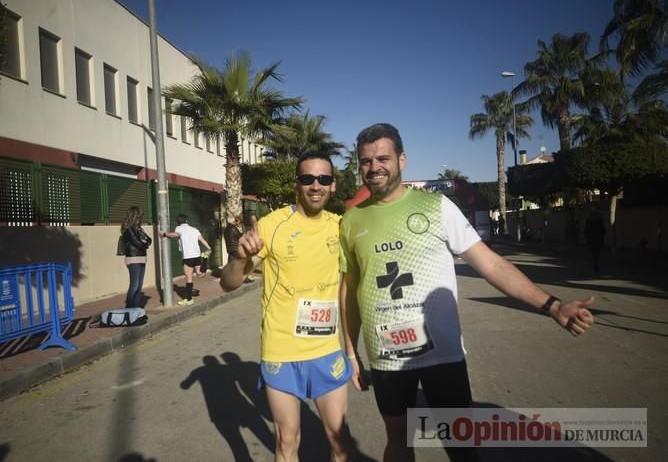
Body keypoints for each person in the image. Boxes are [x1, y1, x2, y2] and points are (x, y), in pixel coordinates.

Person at [340, 123, 595, 462]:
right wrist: (350, 351)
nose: (374, 168)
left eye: (383, 158)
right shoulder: (351, 220)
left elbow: (491, 265)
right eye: (365, 161)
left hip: (443, 357)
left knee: (461, 447)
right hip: (387, 357)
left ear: (402, 159)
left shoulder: (437, 207)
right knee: (399, 442)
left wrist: (552, 305)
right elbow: (351, 289)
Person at [220, 151, 353, 462]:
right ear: (297, 184)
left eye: (324, 179)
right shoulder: (272, 225)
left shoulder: (342, 227)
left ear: (333, 185)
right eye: (307, 179)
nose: (316, 186)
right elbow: (228, 283)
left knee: (341, 441)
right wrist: (239, 258)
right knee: (287, 442)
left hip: (326, 350)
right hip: (281, 350)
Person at [160, 214, 212, 306]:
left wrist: (164, 234)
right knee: (200, 274)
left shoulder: (179, 228)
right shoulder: (194, 229)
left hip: (188, 256)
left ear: (178, 222)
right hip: (197, 255)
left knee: (188, 277)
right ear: (187, 221)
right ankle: (205, 258)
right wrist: (209, 247)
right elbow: (202, 239)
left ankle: (189, 299)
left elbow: (175, 235)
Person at [120, 206, 151, 309]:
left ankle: (137, 309)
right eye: (139, 216)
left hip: (142, 258)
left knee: (139, 286)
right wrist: (145, 244)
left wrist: (145, 242)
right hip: (133, 259)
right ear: (134, 216)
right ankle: (129, 309)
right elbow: (138, 243)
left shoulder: (138, 229)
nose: (140, 219)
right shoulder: (128, 229)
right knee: (134, 285)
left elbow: (149, 240)